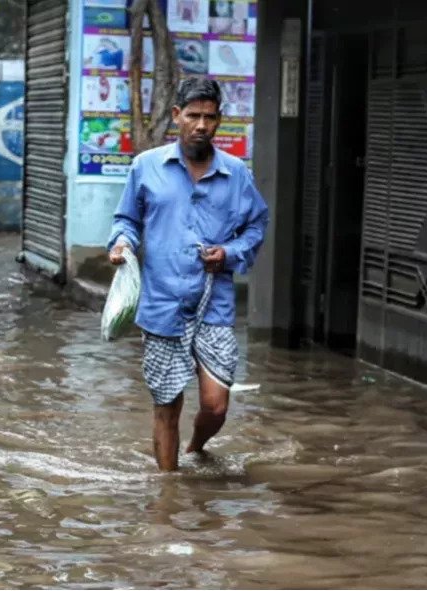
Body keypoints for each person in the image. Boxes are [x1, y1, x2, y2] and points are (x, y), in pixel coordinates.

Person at [107, 78, 268, 472]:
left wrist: (229, 253)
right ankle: (168, 493)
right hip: (162, 303)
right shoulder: (146, 167)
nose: (201, 125)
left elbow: (256, 226)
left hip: (214, 304)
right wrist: (122, 243)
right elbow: (126, 219)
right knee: (167, 403)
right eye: (193, 116)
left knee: (216, 405)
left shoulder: (236, 174)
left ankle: (196, 448)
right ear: (176, 116)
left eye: (209, 118)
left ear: (219, 122)